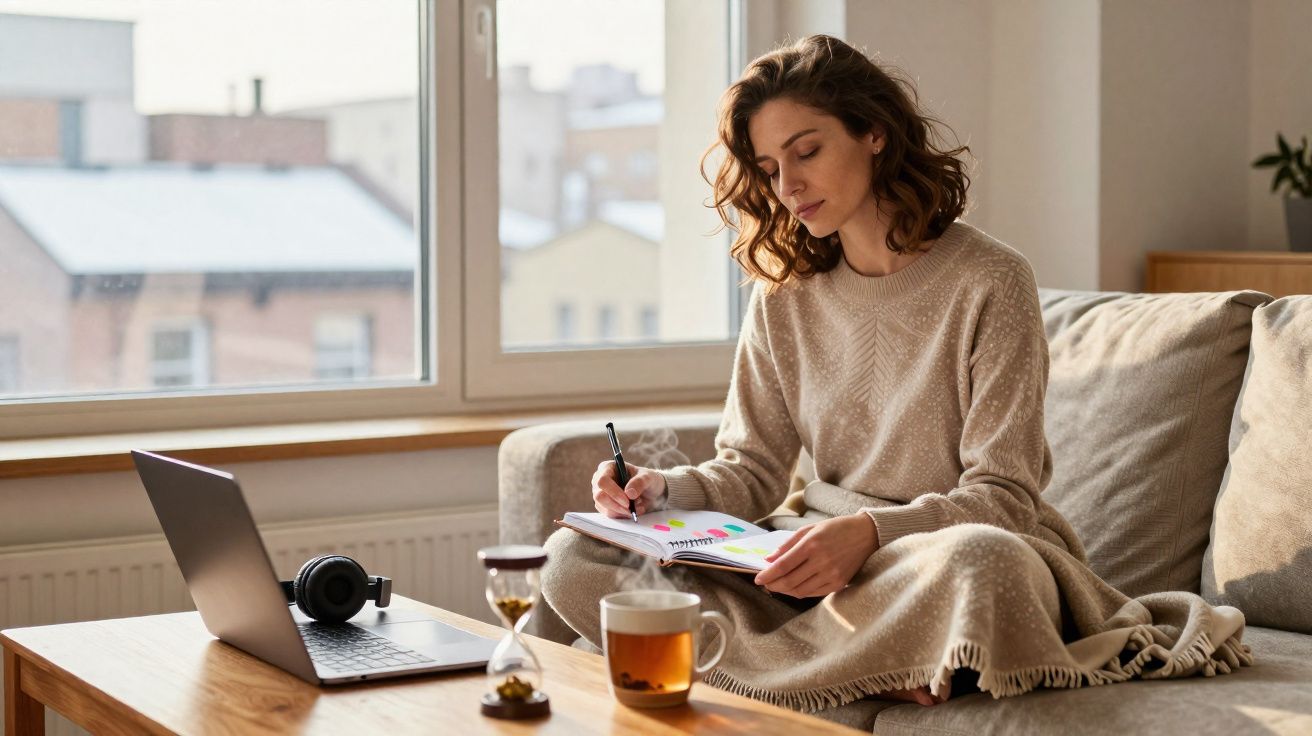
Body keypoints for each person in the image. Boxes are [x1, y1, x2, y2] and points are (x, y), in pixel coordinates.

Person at [541, 35, 1247, 716]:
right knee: (574, 556)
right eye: (767, 167)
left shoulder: (992, 280)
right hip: (811, 566)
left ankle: (813, 665)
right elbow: (752, 469)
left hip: (936, 557)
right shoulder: (783, 294)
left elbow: (1004, 495)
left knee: (984, 565)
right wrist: (661, 492)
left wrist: (871, 535)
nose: (787, 186)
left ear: (874, 132)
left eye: (806, 151)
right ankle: (877, 670)